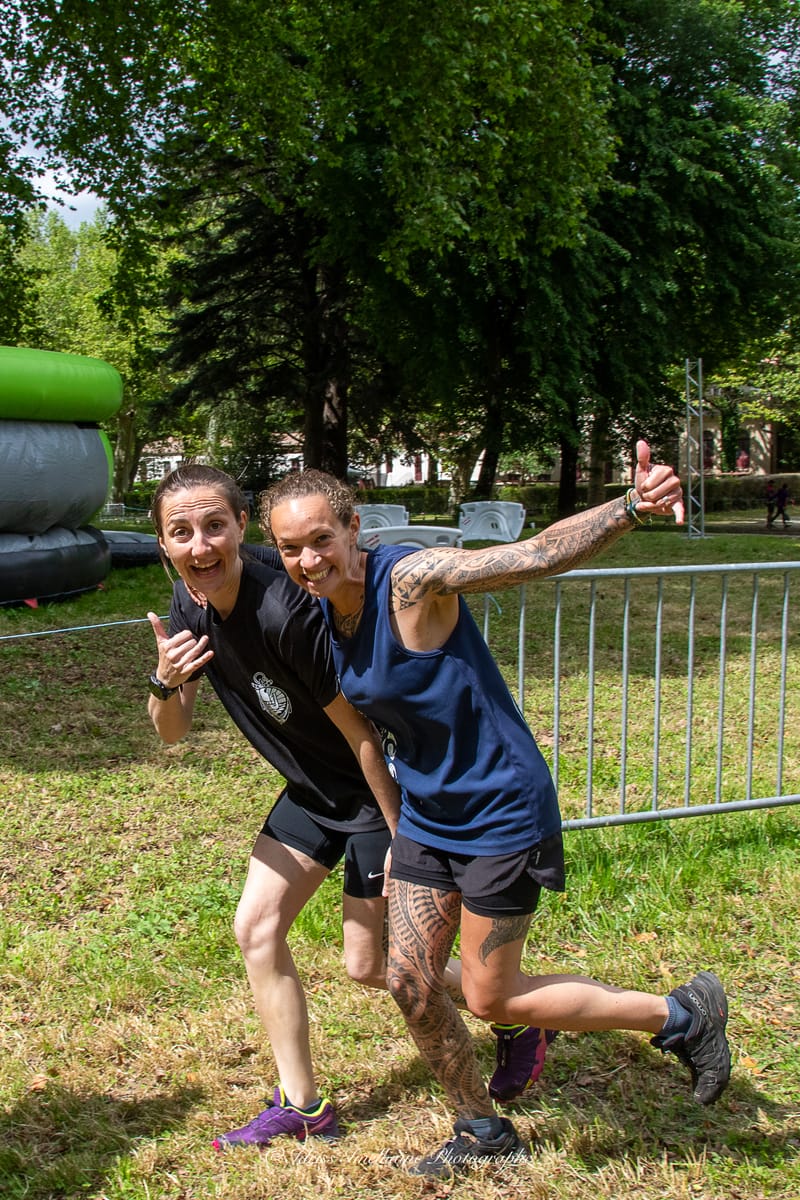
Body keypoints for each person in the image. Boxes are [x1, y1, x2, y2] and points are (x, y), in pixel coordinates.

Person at [260, 444, 731, 1178]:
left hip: (502, 812)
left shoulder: (411, 584)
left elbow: (533, 555)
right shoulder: (326, 620)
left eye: (322, 539)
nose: (308, 559)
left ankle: (681, 1015)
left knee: (490, 995)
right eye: (291, 548)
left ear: (353, 528)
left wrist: (631, 507)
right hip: (426, 817)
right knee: (409, 982)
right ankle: (482, 1131)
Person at [146, 464, 549, 1153]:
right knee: (255, 929)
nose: (200, 544)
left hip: (366, 794)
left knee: (370, 966)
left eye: (215, 525)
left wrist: (404, 838)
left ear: (244, 526)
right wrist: (164, 680)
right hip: (310, 793)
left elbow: (362, 733)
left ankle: (514, 1014)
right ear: (162, 545)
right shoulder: (188, 605)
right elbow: (173, 732)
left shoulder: (285, 609)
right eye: (180, 532)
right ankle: (304, 1107)